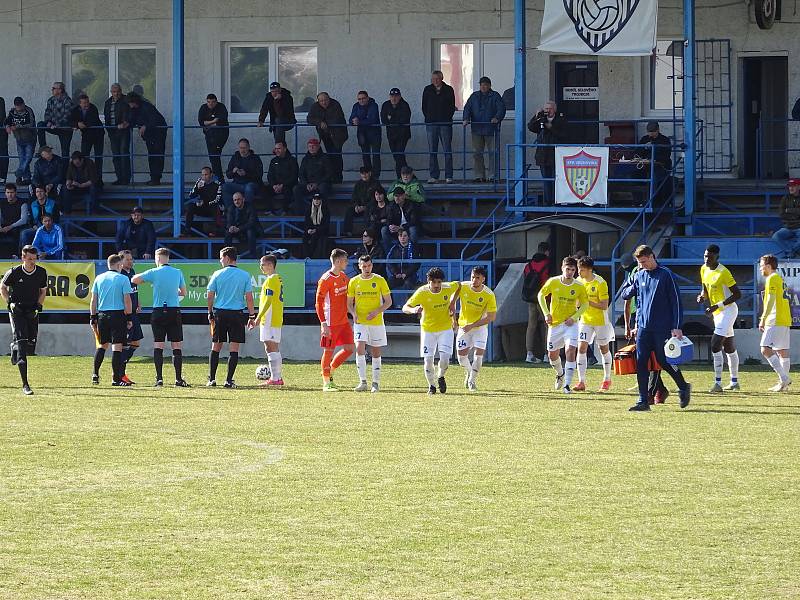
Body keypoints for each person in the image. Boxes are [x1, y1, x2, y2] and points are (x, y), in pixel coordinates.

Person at [620, 245, 691, 411]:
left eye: (644, 261)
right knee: (641, 362)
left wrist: (677, 326)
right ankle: (643, 400)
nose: (642, 265)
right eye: (639, 262)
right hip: (644, 327)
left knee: (663, 360)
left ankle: (683, 386)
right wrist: (633, 284)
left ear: (652, 257)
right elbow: (625, 294)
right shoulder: (638, 275)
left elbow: (676, 302)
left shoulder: (666, 275)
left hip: (662, 327)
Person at [131, 247, 190, 387]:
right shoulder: (177, 272)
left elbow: (134, 279)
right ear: (168, 258)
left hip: (158, 311)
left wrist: (149, 280)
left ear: (157, 259)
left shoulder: (154, 272)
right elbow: (184, 293)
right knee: (176, 345)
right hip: (173, 311)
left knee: (158, 344)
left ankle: (159, 378)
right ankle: (178, 379)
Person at [402, 267, 460, 395]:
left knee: (445, 358)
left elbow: (459, 285)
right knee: (428, 360)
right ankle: (431, 386)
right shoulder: (422, 292)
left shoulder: (447, 288)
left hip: (445, 328)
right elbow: (405, 307)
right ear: (428, 281)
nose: (437, 285)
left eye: (439, 282)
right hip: (428, 329)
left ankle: (440, 376)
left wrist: (452, 302)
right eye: (434, 282)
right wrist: (413, 310)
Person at [206, 246, 256, 388]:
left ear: (227, 258)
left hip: (220, 313)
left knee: (216, 346)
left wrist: (210, 312)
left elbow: (210, 296)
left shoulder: (217, 274)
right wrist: (252, 316)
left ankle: (212, 379)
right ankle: (228, 380)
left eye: (221, 257)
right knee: (234, 348)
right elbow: (249, 298)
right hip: (237, 314)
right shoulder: (245, 275)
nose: (220, 260)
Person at [537, 256, 588, 394]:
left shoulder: (578, 286)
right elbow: (541, 295)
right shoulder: (553, 282)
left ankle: (567, 385)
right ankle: (560, 373)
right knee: (552, 355)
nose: (570, 272)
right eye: (568, 269)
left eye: (573, 269)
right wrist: (547, 313)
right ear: (562, 268)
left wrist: (575, 317)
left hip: (571, 324)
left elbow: (585, 304)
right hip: (555, 324)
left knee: (570, 350)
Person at [0, 245, 47, 395]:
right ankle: (25, 384)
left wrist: (38, 305)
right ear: (23, 258)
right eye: (30, 259)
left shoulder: (41, 272)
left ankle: (15, 347)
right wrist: (10, 303)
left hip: (31, 310)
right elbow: (3, 287)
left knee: (30, 344)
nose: (33, 262)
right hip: (17, 311)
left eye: (35, 259)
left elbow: (43, 291)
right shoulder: (14, 272)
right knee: (22, 348)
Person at [697, 244, 742, 392]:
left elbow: (737, 294)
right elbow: (705, 289)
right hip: (717, 313)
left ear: (717, 257)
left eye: (710, 257)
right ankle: (734, 382)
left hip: (728, 310)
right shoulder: (703, 269)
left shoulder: (724, 272)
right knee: (728, 346)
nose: (706, 259)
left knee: (715, 343)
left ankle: (718, 383)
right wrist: (702, 297)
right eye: (705, 256)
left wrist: (717, 305)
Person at [347, 254, 392, 392]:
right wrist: (353, 314)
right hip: (360, 321)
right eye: (364, 266)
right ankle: (363, 382)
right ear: (359, 266)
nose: (367, 268)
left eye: (369, 266)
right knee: (359, 348)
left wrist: (376, 312)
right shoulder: (354, 282)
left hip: (376, 322)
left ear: (372, 265)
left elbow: (388, 302)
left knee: (376, 352)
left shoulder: (379, 280)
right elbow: (349, 303)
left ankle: (375, 383)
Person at [90, 253, 133, 386]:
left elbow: (93, 300)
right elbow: (127, 300)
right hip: (118, 315)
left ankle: (95, 374)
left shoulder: (99, 278)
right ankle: (116, 378)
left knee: (102, 345)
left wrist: (93, 316)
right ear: (119, 265)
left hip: (102, 315)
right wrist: (129, 317)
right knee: (117, 347)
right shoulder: (123, 279)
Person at [315, 248, 355, 391]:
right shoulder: (325, 279)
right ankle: (326, 382)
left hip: (343, 321)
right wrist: (323, 323)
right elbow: (318, 303)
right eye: (345, 260)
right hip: (331, 323)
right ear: (338, 261)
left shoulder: (344, 276)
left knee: (350, 348)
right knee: (328, 351)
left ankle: (330, 370)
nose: (347, 263)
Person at [574, 256, 614, 392]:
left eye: (582, 270)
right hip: (585, 320)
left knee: (604, 349)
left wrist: (587, 302)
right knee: (581, 348)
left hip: (600, 321)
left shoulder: (600, 283)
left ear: (590, 270)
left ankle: (607, 379)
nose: (579, 272)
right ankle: (581, 381)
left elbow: (604, 306)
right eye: (579, 269)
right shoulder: (578, 282)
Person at [454, 266, 497, 391]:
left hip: (480, 328)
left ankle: (472, 381)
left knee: (478, 356)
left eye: (477, 278)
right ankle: (469, 372)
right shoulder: (463, 287)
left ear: (483, 279)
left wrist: (472, 325)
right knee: (461, 358)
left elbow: (491, 317)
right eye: (473, 277)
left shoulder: (489, 294)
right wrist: (452, 309)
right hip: (463, 326)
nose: (474, 280)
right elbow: (453, 297)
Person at [758, 254, 792, 392]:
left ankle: (784, 378)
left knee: (765, 349)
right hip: (784, 318)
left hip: (775, 318)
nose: (761, 269)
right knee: (781, 351)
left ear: (768, 266)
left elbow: (771, 300)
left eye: (761, 266)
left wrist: (763, 318)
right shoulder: (779, 278)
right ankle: (783, 384)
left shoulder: (772, 278)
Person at [462, 76, 506, 183]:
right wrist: (466, 119)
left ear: (490, 86)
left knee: (493, 153)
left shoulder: (495, 96)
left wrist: (497, 118)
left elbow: (501, 108)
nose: (483, 87)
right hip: (477, 129)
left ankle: (493, 176)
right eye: (482, 85)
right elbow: (467, 108)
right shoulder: (474, 96)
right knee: (477, 153)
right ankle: (479, 175)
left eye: (486, 85)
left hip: (491, 129)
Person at [252, 253, 285, 386]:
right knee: (273, 346)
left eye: (263, 265)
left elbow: (268, 301)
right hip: (274, 317)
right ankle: (277, 378)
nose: (261, 267)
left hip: (270, 318)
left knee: (270, 346)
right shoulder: (277, 279)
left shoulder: (271, 279)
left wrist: (258, 317)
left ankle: (275, 378)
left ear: (270, 265)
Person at [528, 101, 568, 205]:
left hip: (556, 154)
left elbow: (564, 135)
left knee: (556, 179)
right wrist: (536, 116)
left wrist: (551, 127)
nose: (547, 111)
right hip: (543, 155)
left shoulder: (560, 120)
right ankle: (547, 201)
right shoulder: (541, 119)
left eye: (550, 108)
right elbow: (531, 127)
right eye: (545, 109)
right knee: (546, 180)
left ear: (554, 109)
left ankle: (557, 201)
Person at [422, 70, 456, 184]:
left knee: (447, 150)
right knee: (432, 151)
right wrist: (429, 118)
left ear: (442, 78)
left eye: (437, 78)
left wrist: (446, 118)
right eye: (433, 79)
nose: (435, 81)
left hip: (445, 124)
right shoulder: (427, 90)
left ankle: (449, 176)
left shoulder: (449, 89)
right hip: (431, 124)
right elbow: (424, 107)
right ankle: (434, 176)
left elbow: (452, 107)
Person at [127, 92, 167, 185]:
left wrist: (145, 126)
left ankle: (156, 178)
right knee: (152, 155)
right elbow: (133, 119)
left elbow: (154, 120)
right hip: (149, 135)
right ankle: (153, 177)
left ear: (134, 101)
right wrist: (128, 123)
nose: (129, 105)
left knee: (157, 155)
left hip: (158, 133)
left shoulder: (146, 106)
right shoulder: (135, 109)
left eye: (130, 103)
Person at [307, 92, 348, 183]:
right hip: (325, 135)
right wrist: (319, 122)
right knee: (329, 156)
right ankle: (332, 177)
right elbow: (309, 119)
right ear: (318, 101)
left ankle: (338, 178)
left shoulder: (336, 104)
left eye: (325, 100)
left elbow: (337, 119)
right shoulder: (315, 106)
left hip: (338, 135)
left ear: (329, 99)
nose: (324, 102)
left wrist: (325, 123)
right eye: (321, 101)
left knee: (336, 155)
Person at [523, 242, 550, 363]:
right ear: (547, 252)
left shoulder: (528, 265)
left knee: (531, 325)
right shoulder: (547, 264)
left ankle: (529, 354)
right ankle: (547, 354)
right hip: (543, 298)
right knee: (547, 325)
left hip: (530, 298)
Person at [119, 250, 143, 382]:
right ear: (121, 261)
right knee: (125, 344)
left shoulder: (132, 273)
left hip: (134, 313)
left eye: (131, 259)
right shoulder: (120, 275)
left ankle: (120, 367)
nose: (130, 261)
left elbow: (135, 290)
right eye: (127, 259)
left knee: (136, 342)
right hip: (125, 315)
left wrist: (138, 303)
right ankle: (120, 373)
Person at [69, 94, 104, 186]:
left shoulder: (93, 108)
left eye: (87, 102)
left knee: (98, 157)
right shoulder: (76, 110)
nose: (86, 104)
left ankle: (99, 179)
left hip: (98, 135)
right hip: (86, 136)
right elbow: (70, 120)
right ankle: (85, 177)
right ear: (79, 103)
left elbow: (92, 120)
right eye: (84, 103)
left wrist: (81, 125)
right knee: (84, 157)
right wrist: (77, 124)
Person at [637, 121, 673, 205]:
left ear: (658, 130)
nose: (651, 134)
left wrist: (654, 158)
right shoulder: (644, 139)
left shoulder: (664, 140)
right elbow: (637, 153)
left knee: (654, 176)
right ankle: (638, 201)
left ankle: (652, 201)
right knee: (632, 175)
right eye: (649, 132)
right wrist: (644, 147)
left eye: (653, 132)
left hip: (661, 167)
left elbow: (666, 156)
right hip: (645, 166)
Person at [293, 138, 332, 214]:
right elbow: (301, 173)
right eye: (310, 146)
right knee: (296, 189)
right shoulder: (305, 159)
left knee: (323, 188)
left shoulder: (325, 158)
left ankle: (321, 212)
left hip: (321, 184)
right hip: (308, 184)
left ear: (318, 147)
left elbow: (329, 174)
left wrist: (317, 183)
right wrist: (306, 184)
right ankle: (300, 213)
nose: (312, 148)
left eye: (314, 146)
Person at [349, 90, 381, 179]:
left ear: (367, 98)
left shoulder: (374, 105)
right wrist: (353, 121)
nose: (361, 101)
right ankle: (368, 175)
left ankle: (375, 176)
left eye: (363, 98)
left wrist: (359, 121)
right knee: (365, 155)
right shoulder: (356, 106)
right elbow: (351, 119)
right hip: (362, 134)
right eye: (359, 99)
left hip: (374, 134)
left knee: (376, 156)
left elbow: (372, 119)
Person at [223, 138, 263, 208]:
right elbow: (228, 175)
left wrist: (246, 174)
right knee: (225, 186)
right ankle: (230, 210)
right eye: (240, 148)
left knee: (249, 188)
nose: (242, 150)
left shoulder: (255, 158)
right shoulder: (235, 157)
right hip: (237, 184)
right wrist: (233, 171)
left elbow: (259, 175)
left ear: (248, 147)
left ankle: (246, 210)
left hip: (251, 183)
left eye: (244, 148)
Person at [4, 97, 36, 185]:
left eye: (20, 106)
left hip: (30, 138)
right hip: (19, 139)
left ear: (23, 104)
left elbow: (31, 123)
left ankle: (18, 173)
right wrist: (7, 126)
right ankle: (27, 178)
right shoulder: (12, 111)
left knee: (28, 157)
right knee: (22, 159)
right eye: (17, 107)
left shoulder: (28, 111)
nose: (19, 109)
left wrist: (18, 126)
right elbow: (7, 121)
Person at [104, 83, 131, 185]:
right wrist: (108, 128)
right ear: (111, 92)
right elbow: (106, 117)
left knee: (124, 153)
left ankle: (126, 178)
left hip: (123, 131)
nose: (116, 94)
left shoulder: (125, 100)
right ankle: (119, 178)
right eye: (114, 92)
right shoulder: (107, 102)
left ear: (121, 91)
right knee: (116, 155)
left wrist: (125, 123)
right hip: (112, 131)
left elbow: (129, 114)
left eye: (118, 91)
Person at [381, 88, 412, 177]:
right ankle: (408, 174)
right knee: (397, 156)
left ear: (400, 96)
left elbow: (404, 119)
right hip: (391, 135)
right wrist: (394, 121)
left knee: (399, 155)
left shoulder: (404, 105)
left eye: (396, 96)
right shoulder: (386, 105)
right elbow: (384, 120)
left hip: (403, 135)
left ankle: (400, 176)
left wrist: (392, 120)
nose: (394, 98)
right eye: (392, 96)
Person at [184, 166, 223, 236]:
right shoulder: (199, 182)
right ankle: (187, 231)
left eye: (206, 175)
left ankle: (215, 231)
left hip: (212, 208)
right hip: (202, 207)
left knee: (215, 207)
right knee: (190, 206)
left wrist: (205, 203)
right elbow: (191, 195)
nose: (204, 177)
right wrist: (197, 188)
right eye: (202, 175)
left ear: (211, 175)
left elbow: (218, 199)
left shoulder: (217, 184)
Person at [37, 82, 74, 157]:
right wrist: (48, 122)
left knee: (65, 151)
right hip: (53, 126)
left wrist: (56, 124)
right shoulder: (51, 100)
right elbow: (47, 113)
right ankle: (43, 149)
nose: (52, 90)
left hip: (65, 129)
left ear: (60, 90)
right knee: (40, 125)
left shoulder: (67, 101)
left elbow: (67, 116)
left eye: (54, 88)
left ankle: (64, 168)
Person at [198, 94, 229, 180]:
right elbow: (201, 122)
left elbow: (220, 121)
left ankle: (218, 178)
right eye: (208, 102)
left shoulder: (221, 107)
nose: (210, 104)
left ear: (216, 101)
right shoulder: (203, 108)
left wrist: (208, 123)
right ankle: (218, 178)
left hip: (221, 135)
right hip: (209, 136)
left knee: (215, 156)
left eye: (212, 102)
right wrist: (213, 122)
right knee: (213, 157)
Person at [20, 184, 60, 249]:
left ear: (45, 192)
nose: (39, 194)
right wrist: (33, 226)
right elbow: (30, 218)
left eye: (41, 191)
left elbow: (56, 218)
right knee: (24, 233)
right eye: (37, 192)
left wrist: (49, 226)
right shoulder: (33, 204)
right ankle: (24, 254)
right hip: (37, 227)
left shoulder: (53, 203)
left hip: (50, 227)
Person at [264, 140, 298, 215]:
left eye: (279, 148)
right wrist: (274, 185)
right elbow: (270, 175)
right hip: (275, 186)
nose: (277, 150)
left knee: (288, 191)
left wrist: (283, 185)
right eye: (276, 149)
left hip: (287, 186)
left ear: (285, 149)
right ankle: (270, 211)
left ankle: (285, 211)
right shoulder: (273, 161)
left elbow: (294, 176)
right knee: (264, 190)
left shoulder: (292, 160)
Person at [225, 191, 260, 257]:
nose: (236, 202)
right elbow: (229, 222)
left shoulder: (251, 207)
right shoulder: (231, 208)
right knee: (228, 232)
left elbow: (252, 223)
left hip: (250, 230)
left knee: (250, 231)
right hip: (238, 230)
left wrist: (239, 229)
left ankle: (252, 256)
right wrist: (231, 227)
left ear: (243, 199)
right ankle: (227, 255)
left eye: (238, 199)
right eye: (235, 200)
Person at [771, 178, 800, 257]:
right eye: (790, 186)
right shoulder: (785, 198)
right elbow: (781, 213)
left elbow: (786, 212)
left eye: (793, 186)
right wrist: (796, 213)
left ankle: (791, 253)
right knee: (775, 236)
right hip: (788, 227)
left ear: (798, 187)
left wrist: (789, 210)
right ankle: (790, 252)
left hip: (799, 227)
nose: (791, 188)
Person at [344, 166, 375, 236]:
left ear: (370, 173)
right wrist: (356, 206)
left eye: (366, 173)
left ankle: (368, 233)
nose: (364, 175)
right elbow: (354, 198)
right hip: (359, 208)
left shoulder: (375, 184)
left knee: (369, 211)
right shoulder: (358, 184)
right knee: (349, 210)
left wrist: (365, 207)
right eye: (362, 173)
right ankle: (347, 231)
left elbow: (375, 199)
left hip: (370, 208)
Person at [0, 183, 31, 254]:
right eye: (8, 192)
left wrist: (10, 227)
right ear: (5, 193)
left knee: (23, 234)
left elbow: (23, 220)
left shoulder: (23, 203)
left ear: (16, 192)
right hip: (5, 226)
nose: (10, 195)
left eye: (12, 192)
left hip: (18, 227)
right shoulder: (2, 203)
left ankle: (20, 255)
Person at [302, 192, 330, 259]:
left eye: (318, 199)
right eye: (315, 199)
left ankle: (311, 255)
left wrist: (316, 230)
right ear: (313, 200)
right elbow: (307, 223)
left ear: (321, 200)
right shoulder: (309, 210)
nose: (316, 201)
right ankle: (306, 256)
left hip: (322, 230)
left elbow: (326, 225)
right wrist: (308, 229)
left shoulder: (325, 210)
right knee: (305, 236)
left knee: (315, 236)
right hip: (312, 229)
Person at [0, 96, 6, 184]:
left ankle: (2, 176)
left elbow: (1, 116)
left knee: (3, 153)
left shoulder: (0, 100)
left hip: (1, 132)